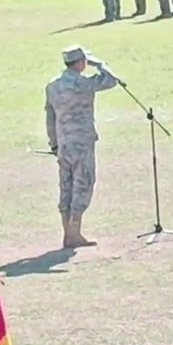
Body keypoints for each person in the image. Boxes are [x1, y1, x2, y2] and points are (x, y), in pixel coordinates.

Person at [44, 46, 121, 249]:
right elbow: (112, 81)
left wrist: (53, 142)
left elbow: (50, 117)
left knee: (66, 186)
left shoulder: (53, 86)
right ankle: (74, 233)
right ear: (80, 62)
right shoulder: (84, 84)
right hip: (82, 143)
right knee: (83, 184)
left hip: (63, 143)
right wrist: (100, 64)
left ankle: (67, 232)